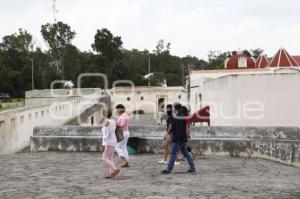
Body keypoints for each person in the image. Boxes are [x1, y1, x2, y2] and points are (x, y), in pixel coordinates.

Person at [161, 103, 196, 174]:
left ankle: (168, 170)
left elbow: (179, 130)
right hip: (183, 139)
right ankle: (192, 168)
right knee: (186, 154)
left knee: (173, 154)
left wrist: (178, 140)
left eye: (173, 108)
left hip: (178, 139)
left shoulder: (178, 117)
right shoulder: (182, 116)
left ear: (175, 108)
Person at [101, 109, 120, 179]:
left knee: (104, 158)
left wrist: (103, 145)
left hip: (108, 142)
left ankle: (115, 169)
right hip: (113, 141)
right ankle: (111, 173)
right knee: (110, 158)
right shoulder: (113, 121)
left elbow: (105, 135)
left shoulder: (106, 122)